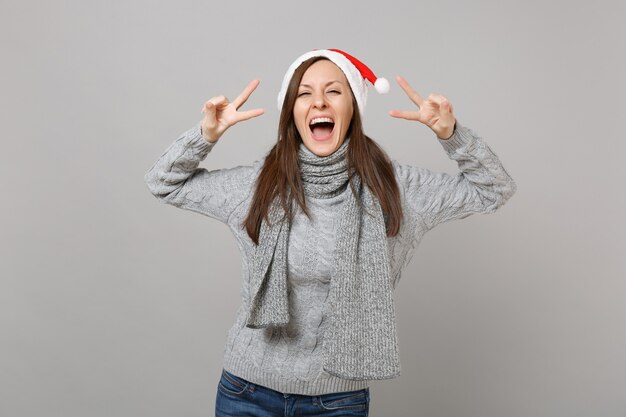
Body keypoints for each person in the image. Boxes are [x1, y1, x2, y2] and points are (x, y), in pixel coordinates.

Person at [144, 48, 517, 416]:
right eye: (305, 93)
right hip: (246, 392)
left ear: (353, 107)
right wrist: (205, 135)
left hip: (336, 402)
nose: (319, 102)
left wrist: (452, 135)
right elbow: (163, 182)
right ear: (292, 111)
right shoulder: (256, 185)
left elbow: (493, 188)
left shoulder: (398, 189)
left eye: (334, 91)